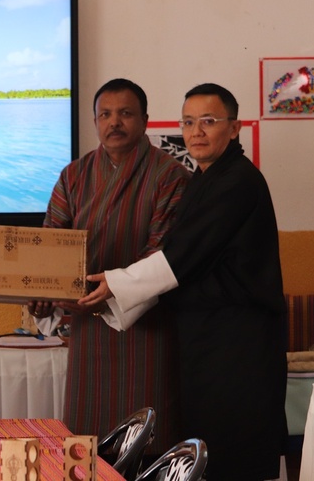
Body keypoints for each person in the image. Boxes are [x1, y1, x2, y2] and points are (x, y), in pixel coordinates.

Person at [82, 83, 288, 481]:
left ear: (234, 128)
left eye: (208, 121)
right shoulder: (203, 180)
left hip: (239, 344)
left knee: (235, 452)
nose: (196, 132)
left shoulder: (239, 181)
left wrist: (116, 285)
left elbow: (179, 260)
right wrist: (117, 295)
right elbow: (178, 261)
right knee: (207, 448)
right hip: (207, 340)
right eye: (188, 122)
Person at [28, 78, 190, 456]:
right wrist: (44, 293)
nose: (114, 122)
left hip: (148, 329)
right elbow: (49, 246)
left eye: (125, 113)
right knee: (87, 442)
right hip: (87, 330)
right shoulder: (74, 175)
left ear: (145, 120)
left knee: (146, 440)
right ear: (95, 121)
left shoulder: (170, 175)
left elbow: (162, 255)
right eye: (105, 114)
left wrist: (111, 293)